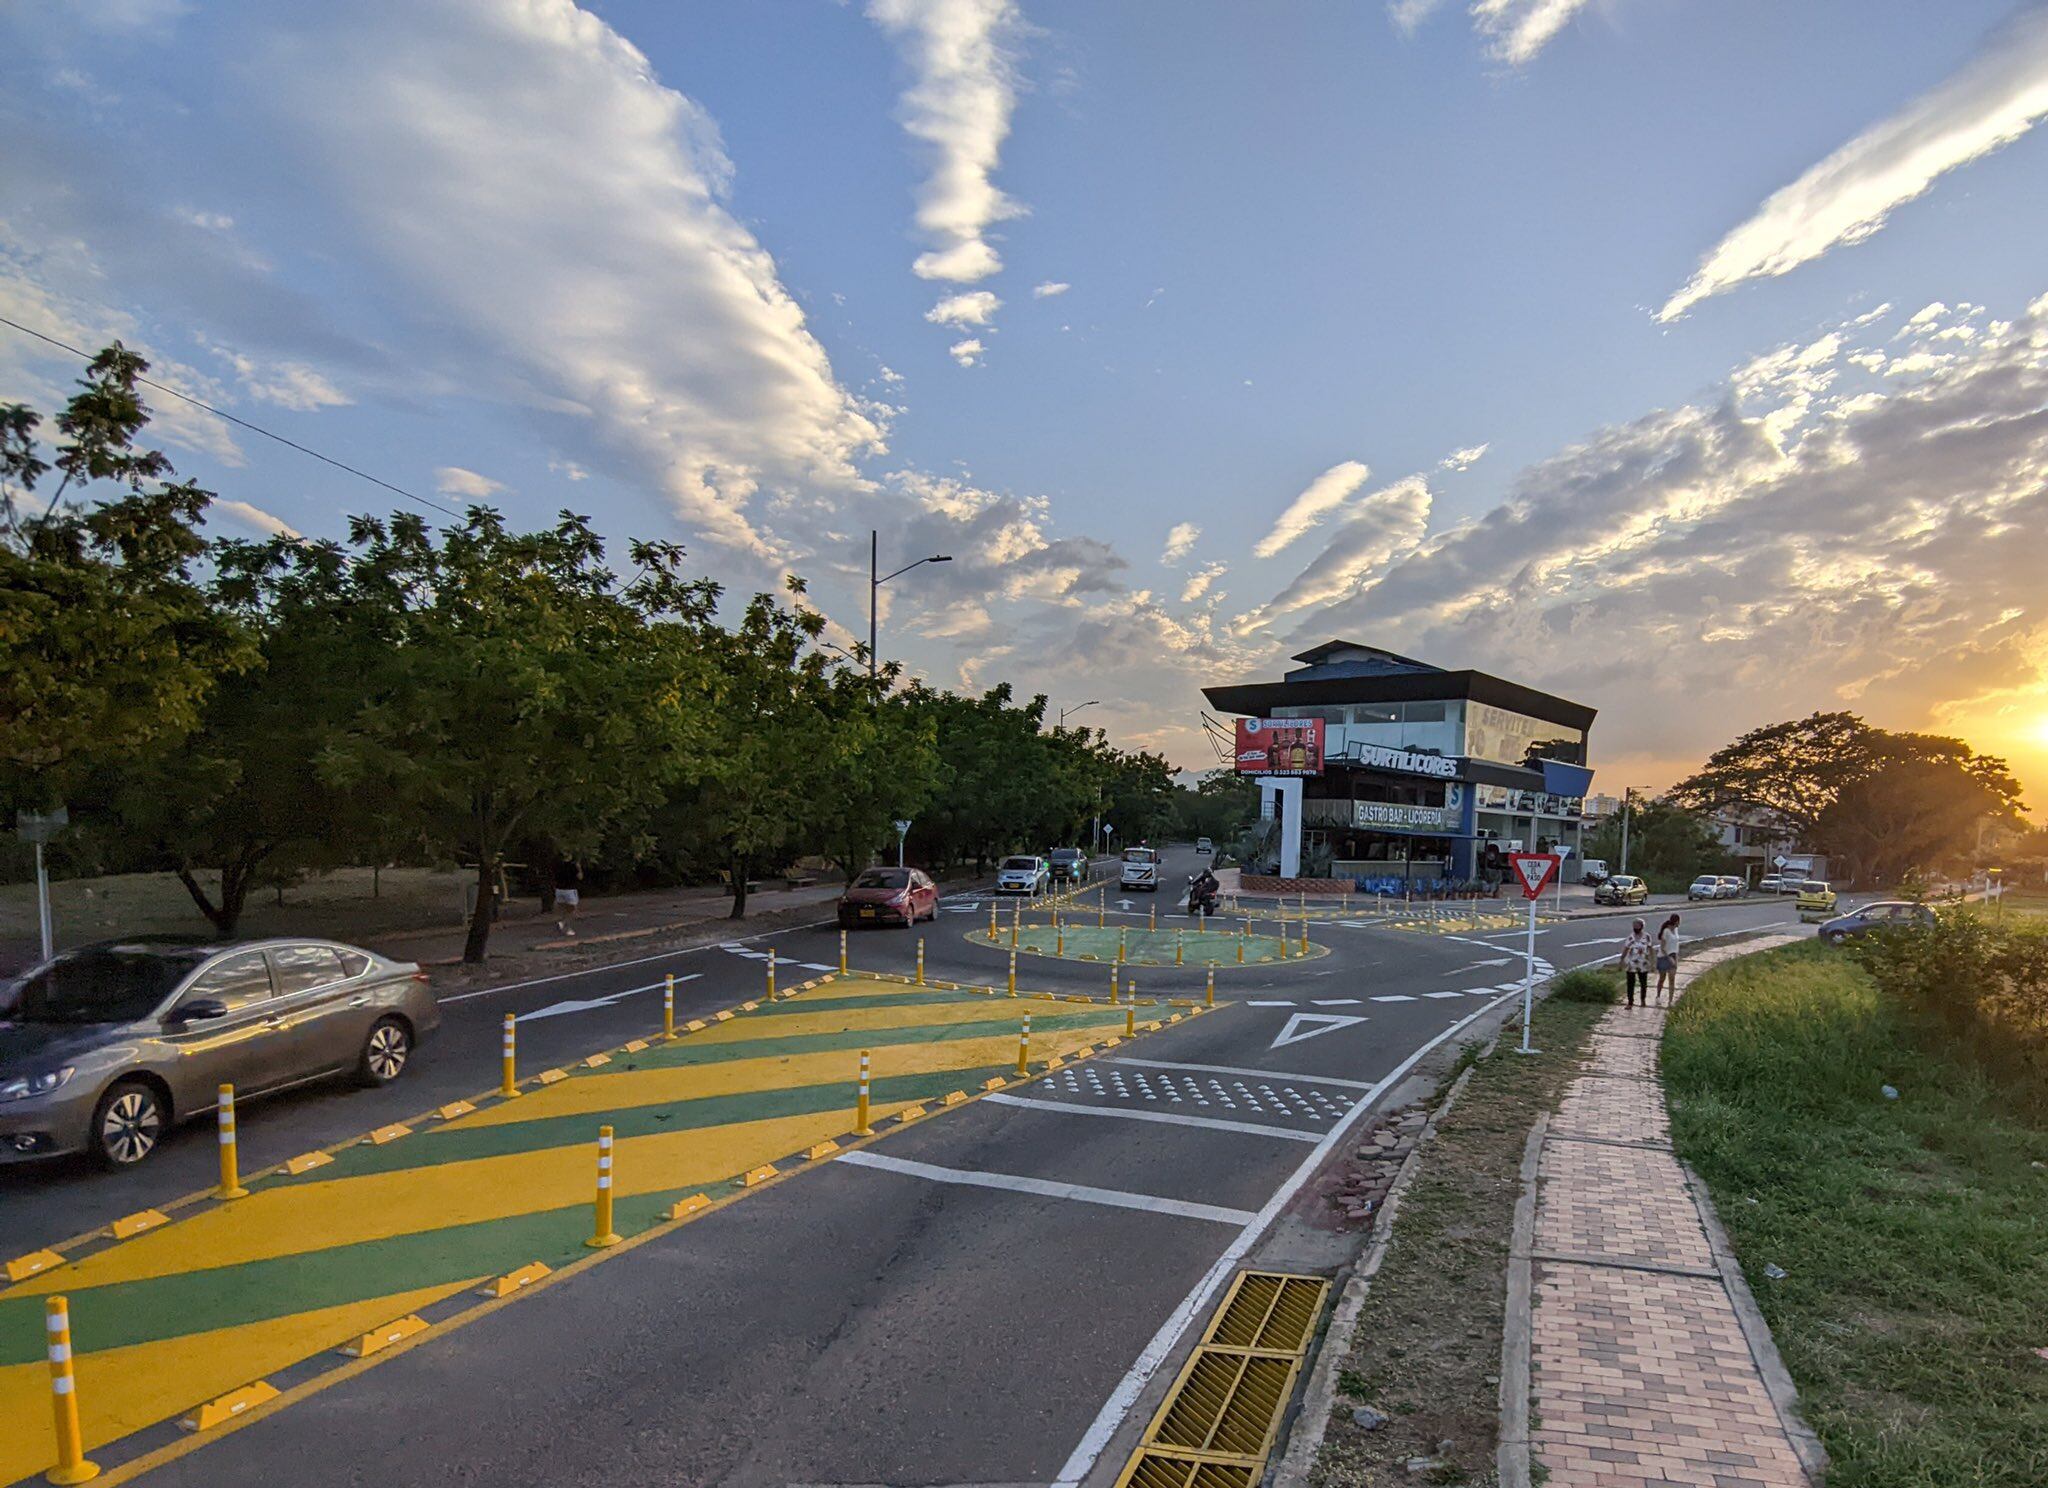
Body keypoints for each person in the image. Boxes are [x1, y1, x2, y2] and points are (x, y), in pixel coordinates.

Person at [1618, 918, 1654, 1008]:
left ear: (1642, 926)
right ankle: (1630, 1002)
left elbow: (1650, 949)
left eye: (1637, 926)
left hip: (1643, 963)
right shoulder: (1631, 937)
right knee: (1630, 983)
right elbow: (1626, 949)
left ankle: (1643, 1000)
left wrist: (1652, 962)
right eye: (1634, 926)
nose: (1635, 928)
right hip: (1631, 963)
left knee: (1643, 983)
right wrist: (1622, 960)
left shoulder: (1647, 936)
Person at [1655, 912, 1682, 1004]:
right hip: (1664, 956)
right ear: (1676, 921)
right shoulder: (1666, 931)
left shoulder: (1676, 930)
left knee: (1672, 979)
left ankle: (1670, 1000)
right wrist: (1669, 957)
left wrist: (1676, 957)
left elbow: (1676, 944)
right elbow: (1662, 947)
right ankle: (1658, 995)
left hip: (1674, 955)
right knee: (1662, 978)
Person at [553, 858, 583, 936]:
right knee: (572, 910)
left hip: (559, 890)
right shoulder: (573, 866)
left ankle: (564, 926)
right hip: (570, 890)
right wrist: (579, 868)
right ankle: (565, 925)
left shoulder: (558, 865)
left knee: (564, 910)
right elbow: (580, 877)